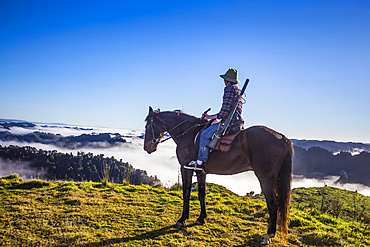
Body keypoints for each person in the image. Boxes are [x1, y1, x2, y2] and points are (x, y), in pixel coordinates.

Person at [184, 68, 243, 171]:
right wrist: (210, 117)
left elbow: (224, 110)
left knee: (204, 135)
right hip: (236, 120)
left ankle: (200, 162)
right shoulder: (238, 90)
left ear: (227, 80)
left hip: (229, 122)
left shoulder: (229, 89)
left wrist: (215, 118)